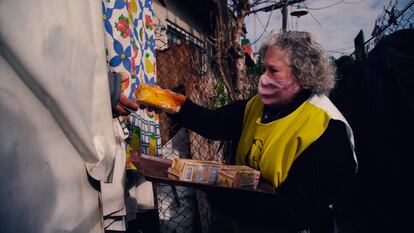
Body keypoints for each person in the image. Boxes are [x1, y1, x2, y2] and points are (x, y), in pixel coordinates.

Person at [154, 31, 357, 232]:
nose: (263, 77)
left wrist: (217, 190)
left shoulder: (328, 128)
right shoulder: (259, 105)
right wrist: (169, 101)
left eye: (273, 71)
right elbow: (213, 123)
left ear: (301, 76)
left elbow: (296, 211)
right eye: (263, 69)